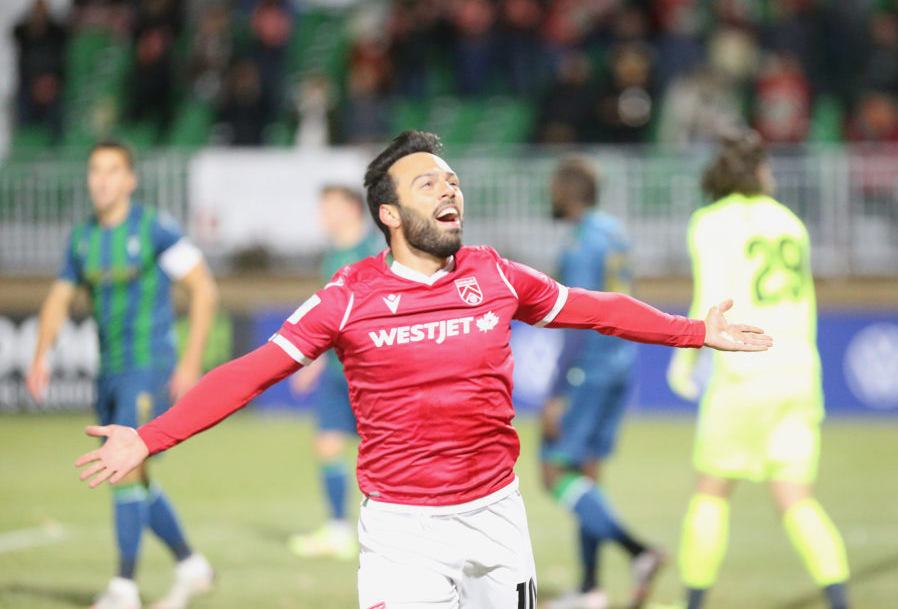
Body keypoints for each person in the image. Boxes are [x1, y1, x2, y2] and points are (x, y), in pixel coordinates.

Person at [76, 130, 771, 609]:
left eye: (453, 179)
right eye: (428, 180)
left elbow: (595, 309)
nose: (450, 189)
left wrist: (694, 331)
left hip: (498, 520)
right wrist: (151, 436)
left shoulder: (493, 272)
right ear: (389, 212)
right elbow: (251, 371)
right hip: (402, 534)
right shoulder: (348, 295)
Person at [29, 141, 219, 609]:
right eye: (95, 170)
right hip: (109, 371)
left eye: (112, 171)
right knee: (131, 475)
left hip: (148, 364)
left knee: (124, 466)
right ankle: (191, 564)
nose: (102, 179)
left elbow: (203, 289)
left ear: (130, 180)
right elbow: (58, 298)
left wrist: (190, 362)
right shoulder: (83, 238)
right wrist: (39, 356)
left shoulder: (154, 229)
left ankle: (124, 586)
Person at [665, 129, 849, 609]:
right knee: (796, 497)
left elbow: (709, 298)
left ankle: (693, 603)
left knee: (712, 490)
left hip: (745, 371)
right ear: (759, 171)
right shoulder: (790, 221)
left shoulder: (710, 222)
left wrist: (685, 359)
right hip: (800, 372)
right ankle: (840, 600)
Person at [542, 156, 662, 609]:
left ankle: (639, 552)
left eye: (554, 187)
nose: (549, 195)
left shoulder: (581, 244)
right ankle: (591, 589)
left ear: (569, 191)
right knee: (587, 477)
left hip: (586, 367)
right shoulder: (615, 232)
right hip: (619, 362)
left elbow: (577, 319)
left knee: (554, 473)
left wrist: (557, 392)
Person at [287, 185, 384, 559]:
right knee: (326, 443)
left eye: (328, 207)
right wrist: (312, 361)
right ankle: (338, 529)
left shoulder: (376, 253)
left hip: (370, 372)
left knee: (380, 451)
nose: (321, 215)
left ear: (349, 209)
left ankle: (389, 526)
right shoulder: (332, 257)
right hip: (335, 371)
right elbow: (330, 317)